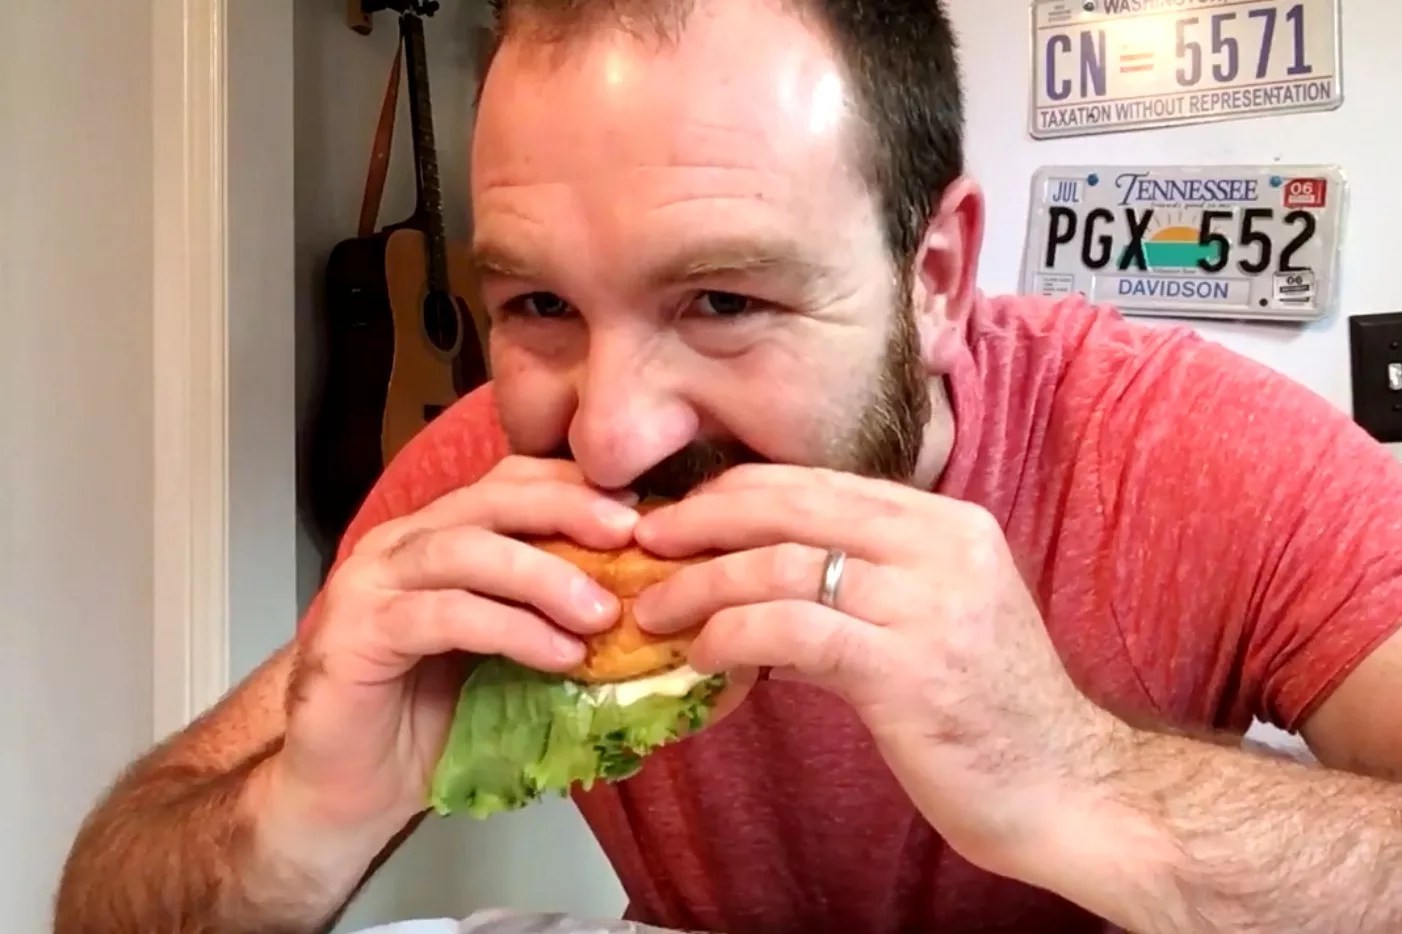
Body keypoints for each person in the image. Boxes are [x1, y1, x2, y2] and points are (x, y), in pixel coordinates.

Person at [53, 0, 1402, 930]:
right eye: (538, 305)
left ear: (934, 278)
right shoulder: (484, 487)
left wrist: (1087, 775)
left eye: (724, 302)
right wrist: (305, 812)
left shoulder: (1195, 451)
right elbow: (108, 898)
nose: (609, 435)